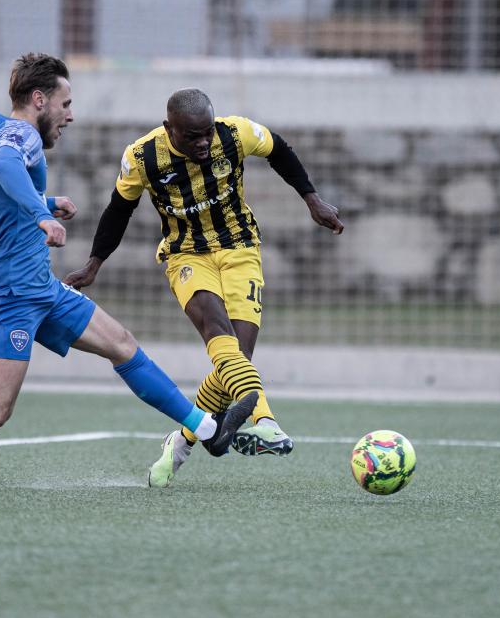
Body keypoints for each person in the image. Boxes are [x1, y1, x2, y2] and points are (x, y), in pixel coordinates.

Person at [0, 56, 257, 457]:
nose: (69, 115)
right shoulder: (21, 137)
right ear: (39, 100)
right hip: (12, 291)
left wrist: (46, 200)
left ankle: (208, 430)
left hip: (40, 287)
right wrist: (40, 213)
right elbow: (5, 168)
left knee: (122, 345)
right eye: (65, 104)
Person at [64, 88, 343, 488]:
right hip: (186, 256)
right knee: (217, 330)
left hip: (240, 248)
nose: (202, 143)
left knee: (235, 359)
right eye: (192, 136)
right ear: (169, 129)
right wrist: (94, 263)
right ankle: (265, 421)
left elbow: (278, 149)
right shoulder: (141, 158)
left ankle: (180, 442)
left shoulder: (236, 133)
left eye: (206, 133)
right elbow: (119, 209)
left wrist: (312, 200)